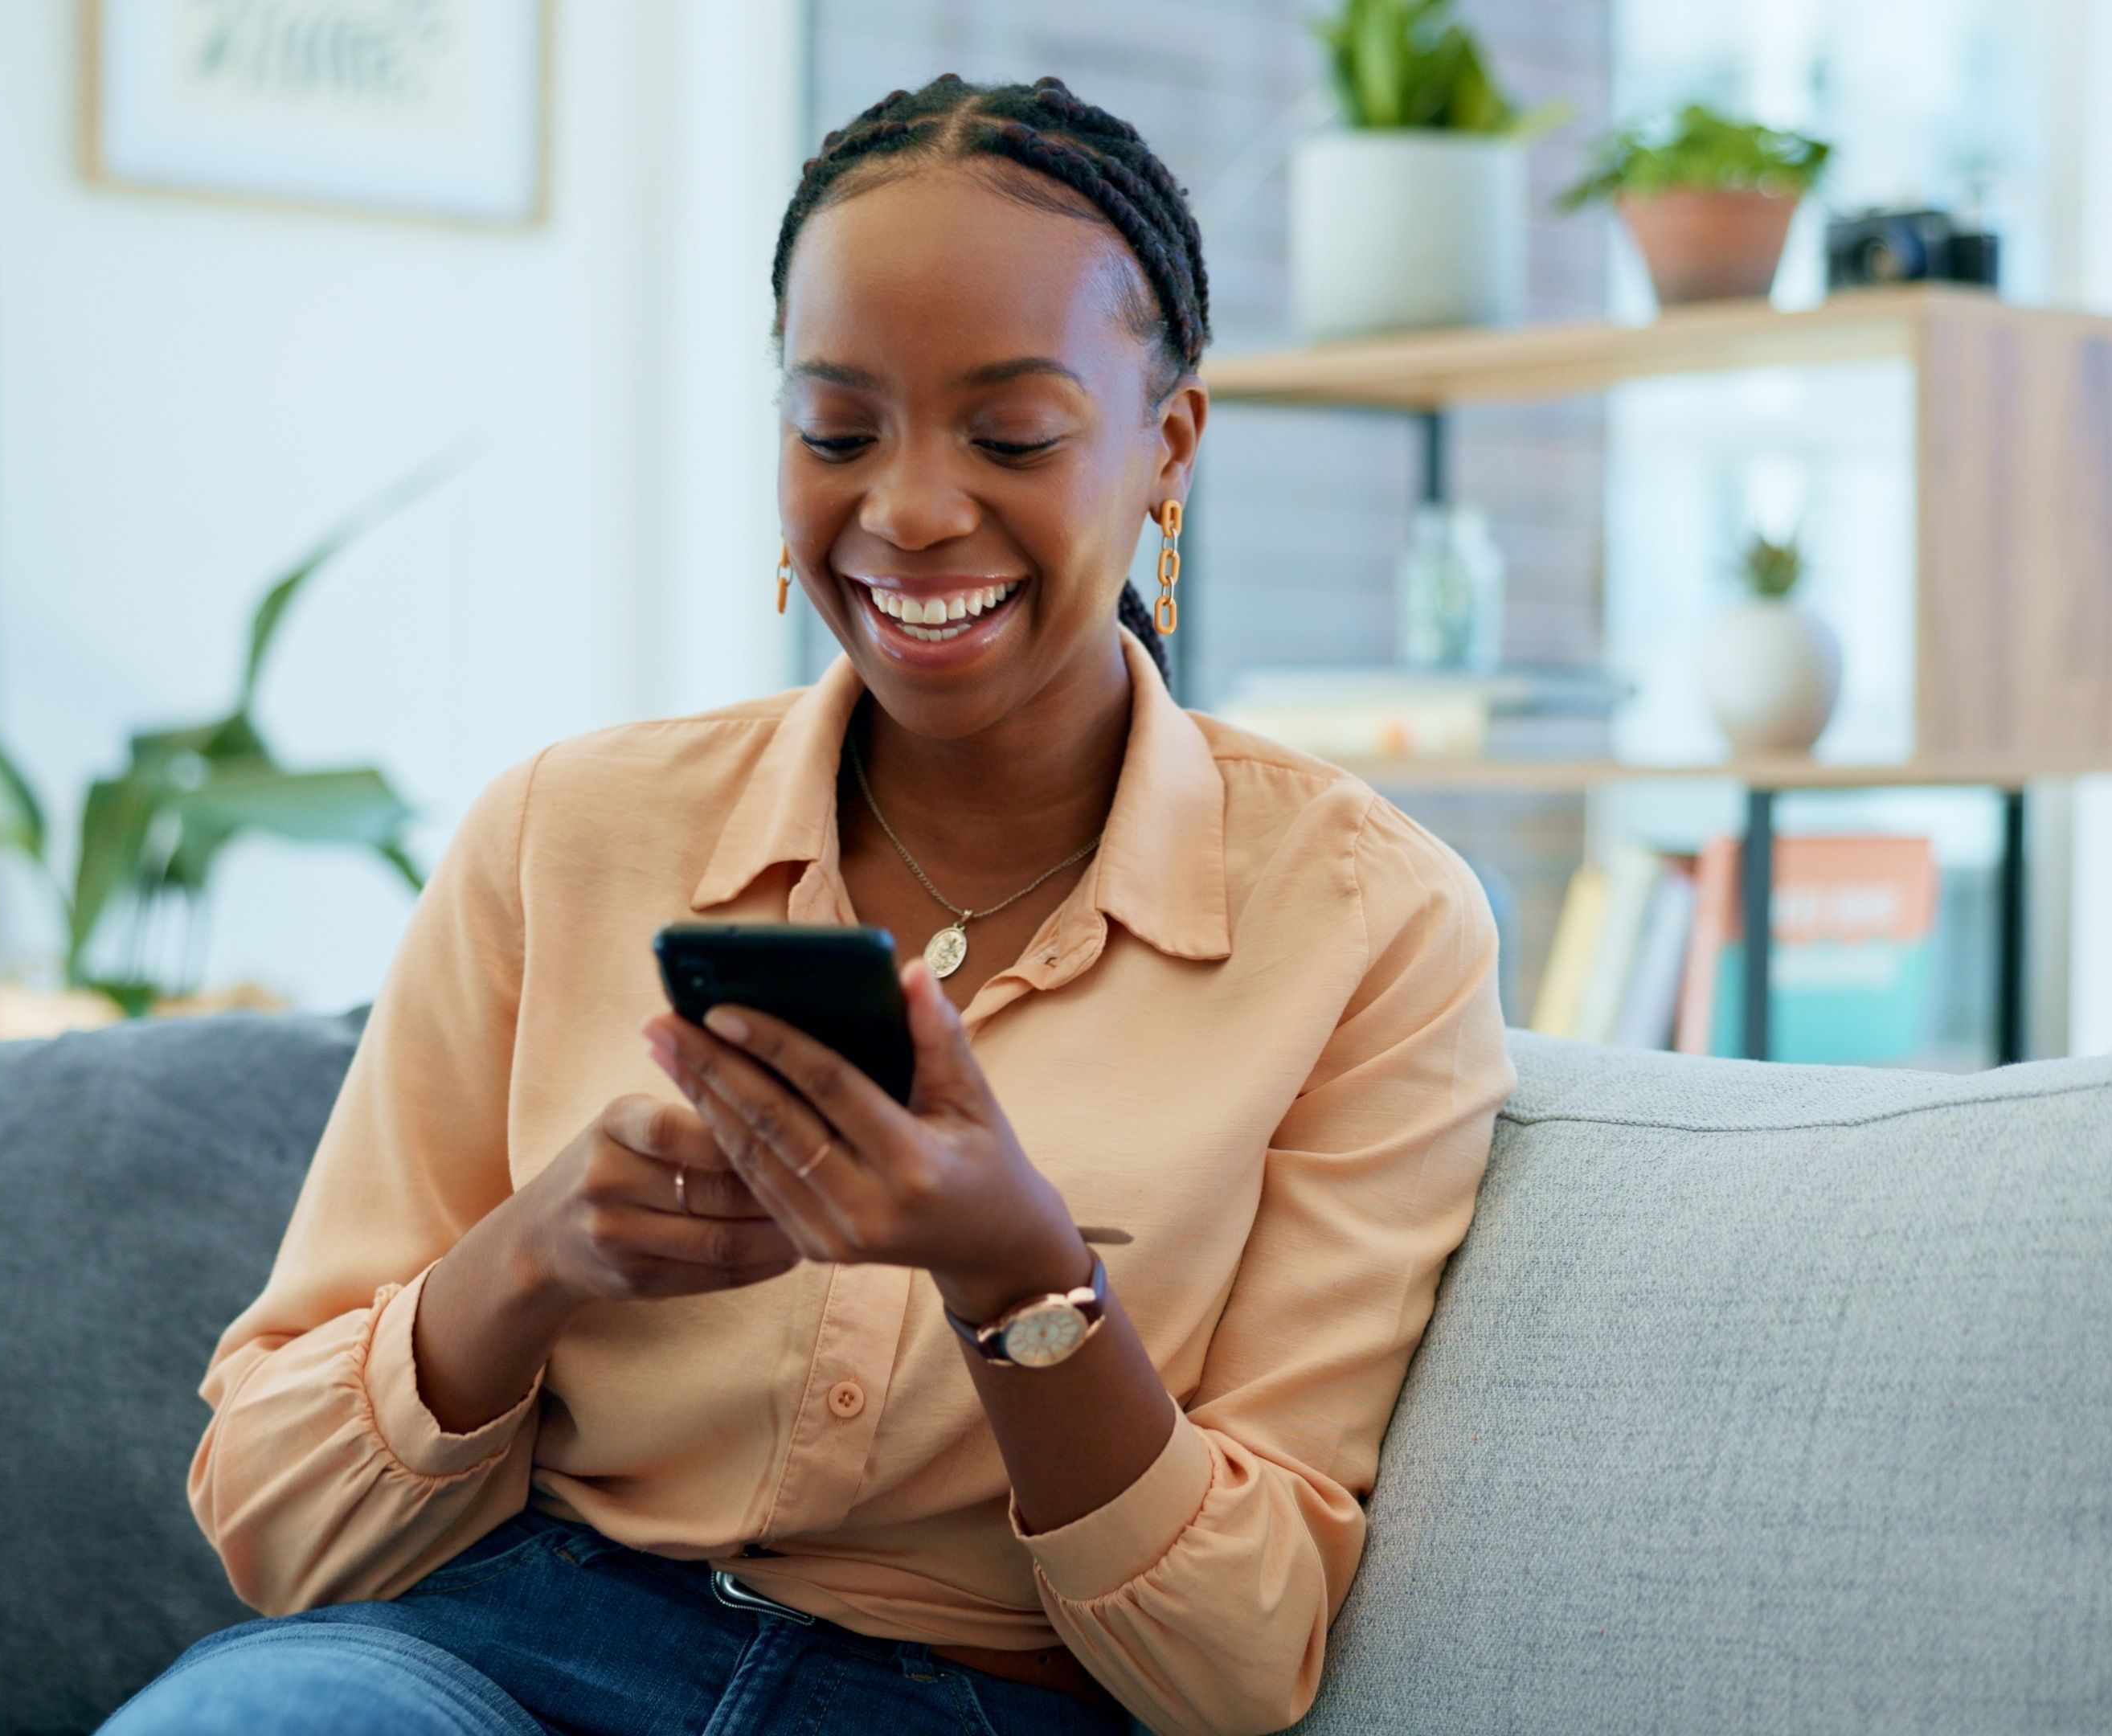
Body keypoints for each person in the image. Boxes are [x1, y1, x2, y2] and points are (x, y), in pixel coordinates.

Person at [100, 75, 1511, 1736]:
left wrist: (1022, 1282)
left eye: (1011, 436)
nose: (908, 512)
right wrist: (531, 1260)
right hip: (502, 1650)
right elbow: (272, 1526)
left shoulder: (1370, 926)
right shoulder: (564, 834)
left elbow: (1235, 1666)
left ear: (1167, 449)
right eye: (838, 431)